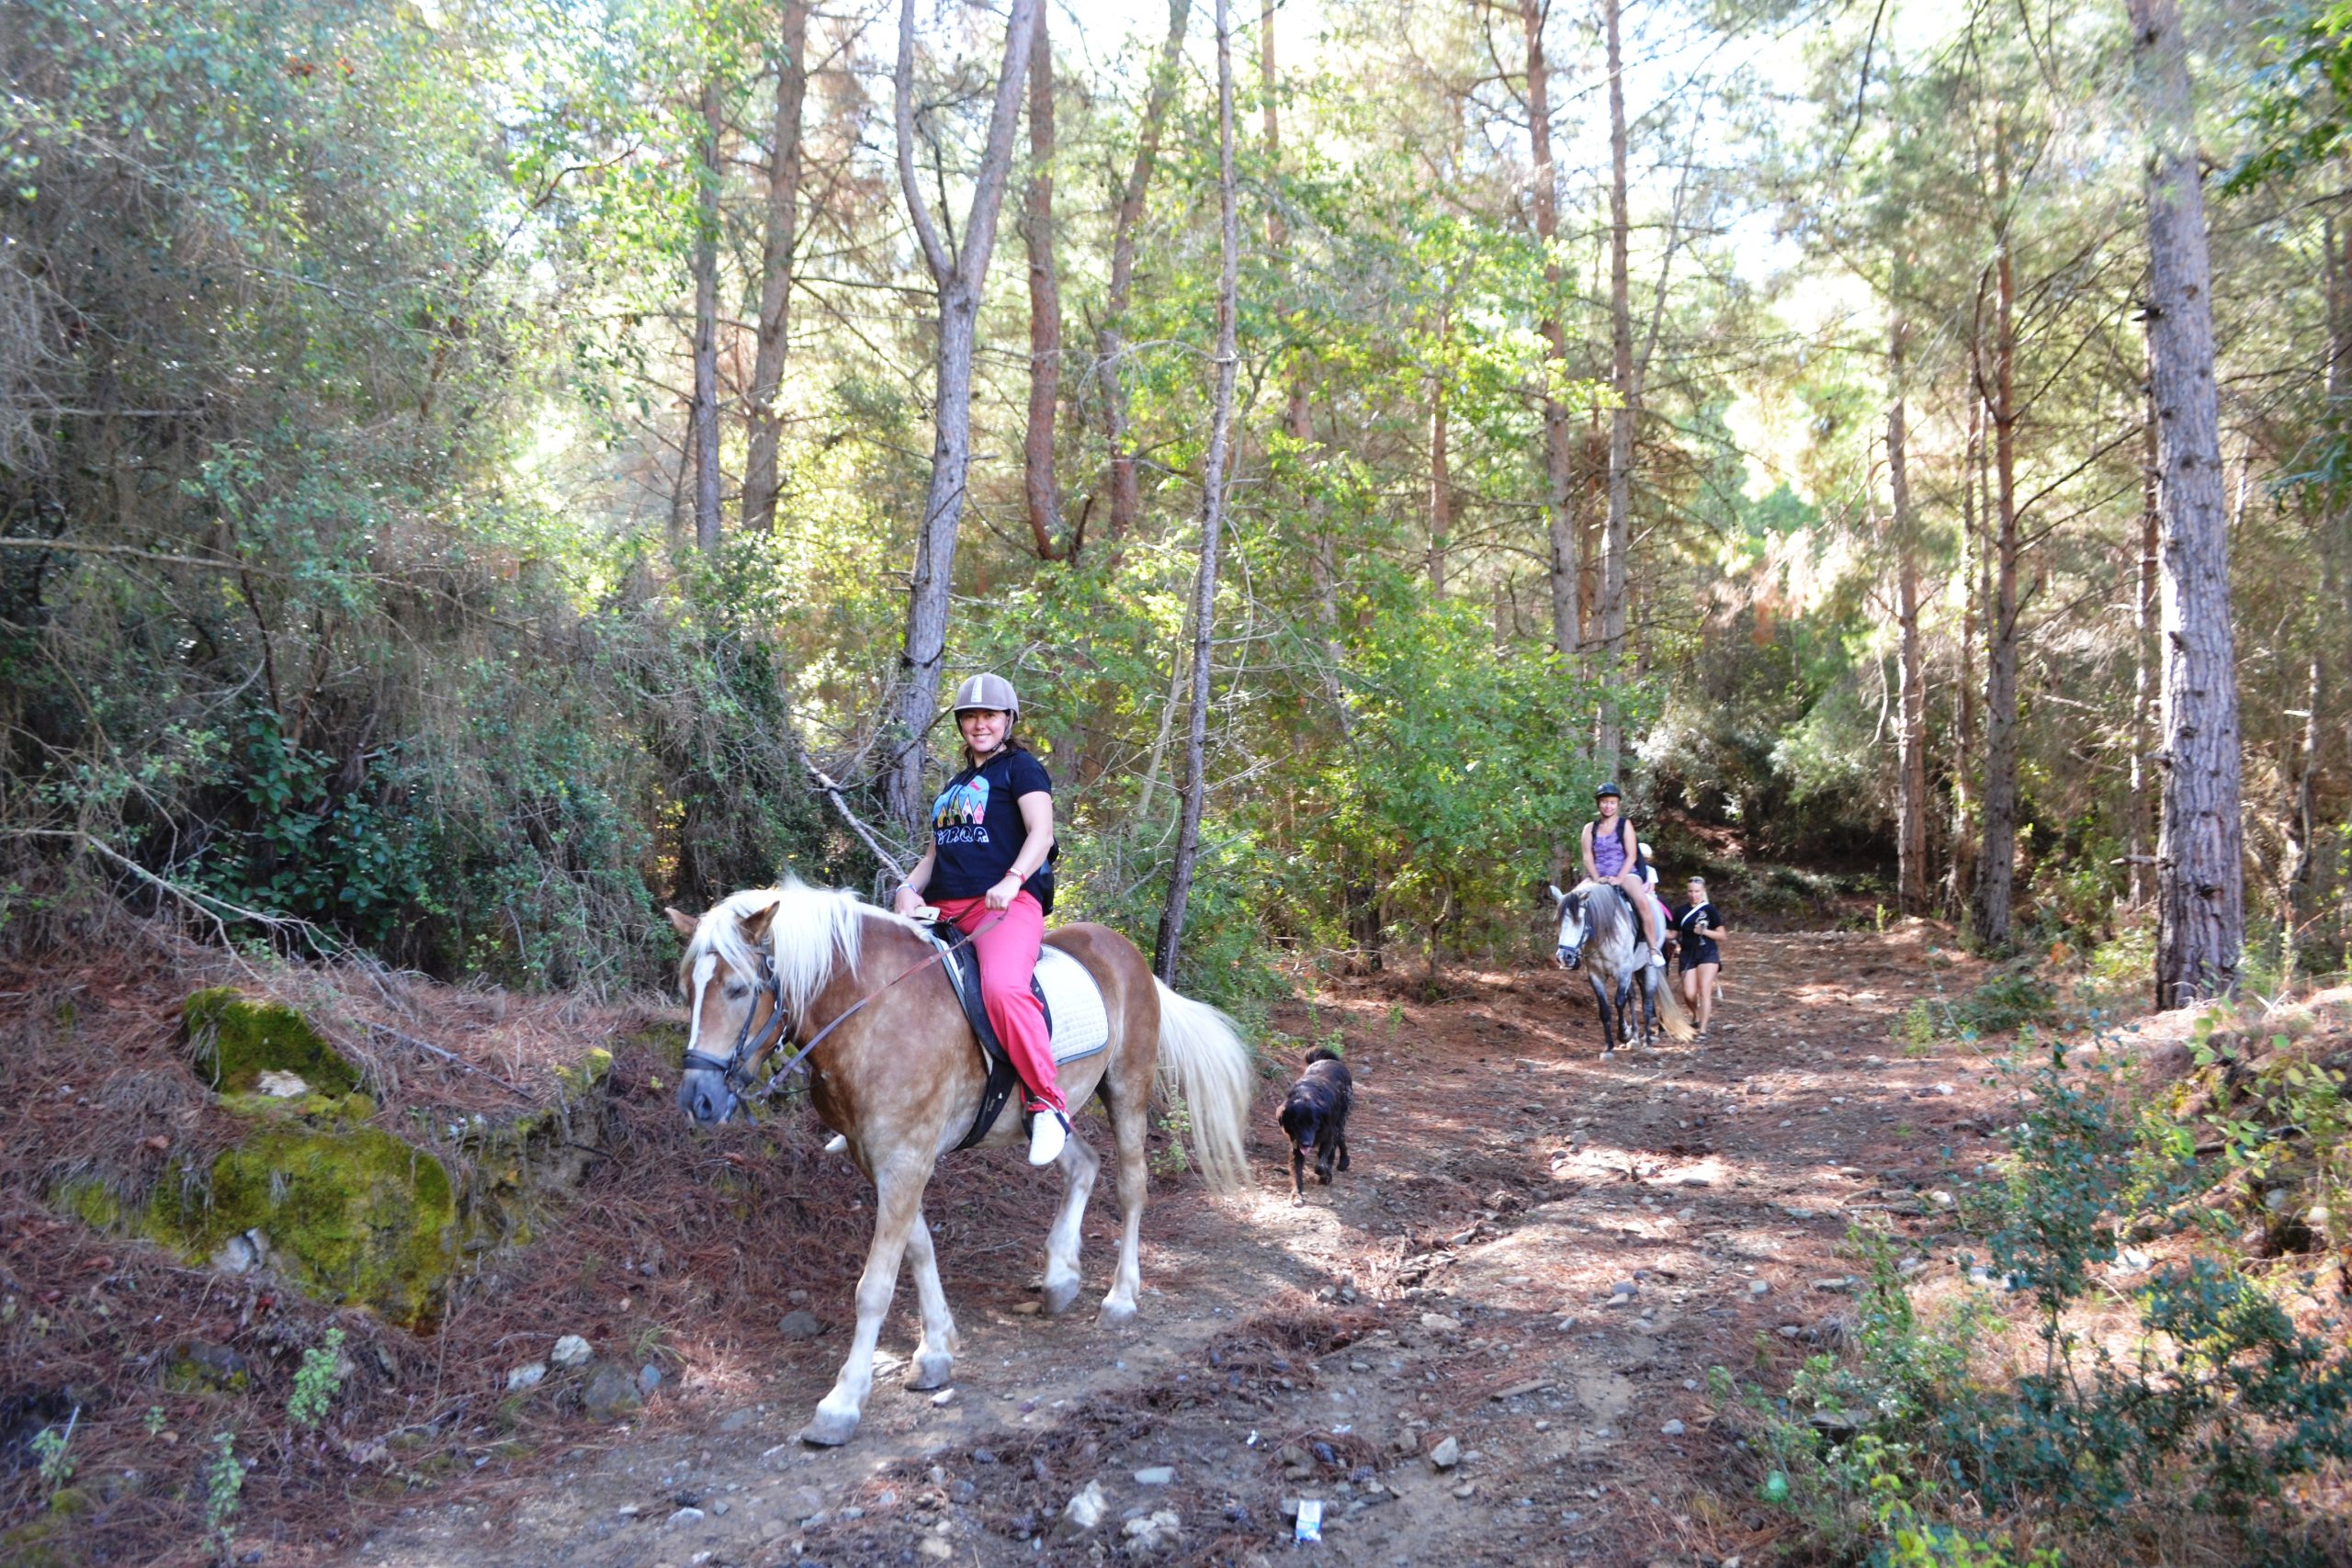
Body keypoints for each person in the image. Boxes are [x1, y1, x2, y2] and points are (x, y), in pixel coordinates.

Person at [892, 673, 1069, 1166]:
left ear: (1008, 720)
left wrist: (1013, 878)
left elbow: (1041, 831)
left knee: (1003, 990)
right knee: (888, 981)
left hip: (1004, 906)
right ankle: (882, 1104)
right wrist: (908, 888)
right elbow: (934, 855)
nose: (979, 724)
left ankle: (1047, 1100)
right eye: (970, 716)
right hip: (943, 908)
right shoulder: (952, 788)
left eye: (989, 715)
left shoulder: (1021, 769)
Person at [1578, 783, 1667, 969]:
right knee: (1572, 900)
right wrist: (1596, 877)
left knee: (1642, 902)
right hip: (1598, 875)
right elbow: (1587, 857)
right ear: (1598, 804)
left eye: (1612, 802)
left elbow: (1632, 855)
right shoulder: (1589, 828)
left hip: (1625, 873)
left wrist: (1619, 878)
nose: (1607, 806)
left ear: (1617, 804)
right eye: (1604, 802)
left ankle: (1652, 948)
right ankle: (1571, 948)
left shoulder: (1624, 825)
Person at [1671, 874, 1726, 1038]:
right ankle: (1696, 1014)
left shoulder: (1710, 910)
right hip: (1688, 954)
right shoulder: (1680, 911)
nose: (1693, 894)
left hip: (1708, 953)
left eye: (1696, 891)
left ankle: (1702, 1030)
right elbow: (1673, 933)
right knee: (1688, 994)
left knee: (1704, 991)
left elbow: (1722, 935)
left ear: (1702, 892)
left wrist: (1705, 931)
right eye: (1690, 891)